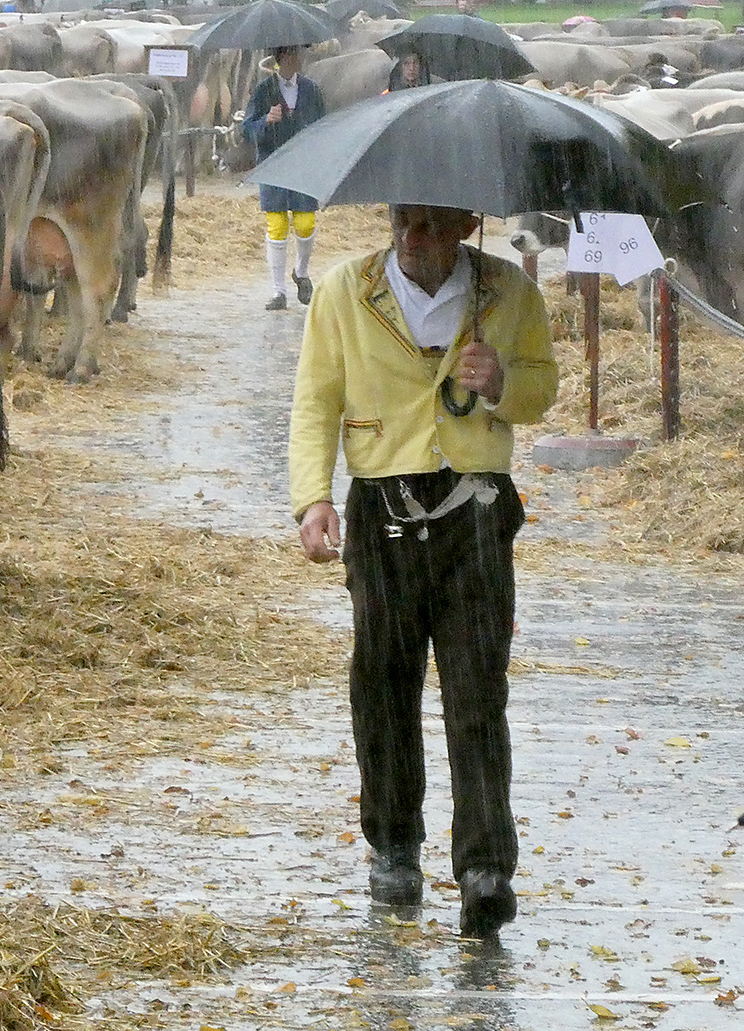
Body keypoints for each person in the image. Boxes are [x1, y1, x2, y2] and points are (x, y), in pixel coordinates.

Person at [287, 204, 559, 938]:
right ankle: (396, 842)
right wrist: (312, 497)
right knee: (382, 679)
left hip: (475, 509)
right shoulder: (347, 291)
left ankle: (483, 865)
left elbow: (542, 386)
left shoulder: (508, 293)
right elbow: (315, 399)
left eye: (435, 225)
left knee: (477, 687)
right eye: (404, 222)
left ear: (467, 225)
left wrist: (501, 380)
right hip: (383, 509)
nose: (415, 238)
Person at [239, 45, 326, 311]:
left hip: (304, 165)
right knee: (277, 227)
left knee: (305, 223)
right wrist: (266, 120)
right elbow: (247, 129)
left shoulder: (311, 89)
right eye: (292, 55)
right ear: (280, 60)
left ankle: (301, 273)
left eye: (299, 55)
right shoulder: (264, 90)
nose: (298, 60)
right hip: (274, 165)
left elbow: (324, 124)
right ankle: (278, 292)